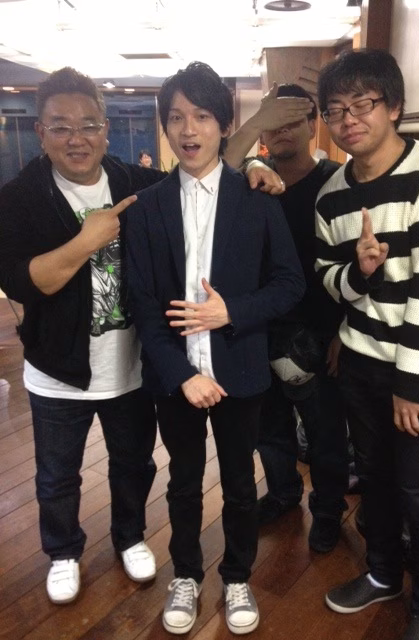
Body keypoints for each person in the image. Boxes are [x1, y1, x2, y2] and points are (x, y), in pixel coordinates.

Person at [0, 66, 279, 607]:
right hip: (58, 368)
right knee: (58, 475)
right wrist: (86, 240)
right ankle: (63, 551)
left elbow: (200, 179)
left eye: (88, 125)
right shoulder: (19, 198)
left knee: (133, 463)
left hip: (130, 365)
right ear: (40, 132)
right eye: (60, 126)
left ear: (105, 129)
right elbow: (22, 282)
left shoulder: (136, 184)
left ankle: (129, 537)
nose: (76, 138)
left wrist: (254, 167)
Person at [125, 61, 305, 635]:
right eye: (176, 117)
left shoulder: (257, 197)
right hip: (176, 377)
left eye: (202, 116)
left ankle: (236, 576)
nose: (189, 129)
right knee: (182, 482)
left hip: (239, 370)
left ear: (225, 125)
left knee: (239, 484)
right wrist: (183, 375)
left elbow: (290, 283)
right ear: (165, 126)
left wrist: (233, 311)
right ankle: (185, 574)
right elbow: (143, 305)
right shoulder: (147, 207)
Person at [315, 49, 419, 640]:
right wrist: (359, 274)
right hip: (362, 361)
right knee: (376, 480)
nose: (348, 119)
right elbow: (327, 279)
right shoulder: (332, 193)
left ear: (395, 107)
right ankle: (382, 573)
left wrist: (411, 386)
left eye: (363, 103)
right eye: (336, 109)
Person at [229, 83, 350, 552]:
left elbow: (354, 264)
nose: (280, 131)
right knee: (269, 427)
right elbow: (216, 171)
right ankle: (283, 494)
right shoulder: (253, 181)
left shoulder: (337, 182)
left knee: (325, 434)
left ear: (312, 123)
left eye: (291, 120)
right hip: (261, 328)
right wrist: (251, 160)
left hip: (321, 331)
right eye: (271, 122)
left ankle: (328, 510)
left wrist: (344, 332)